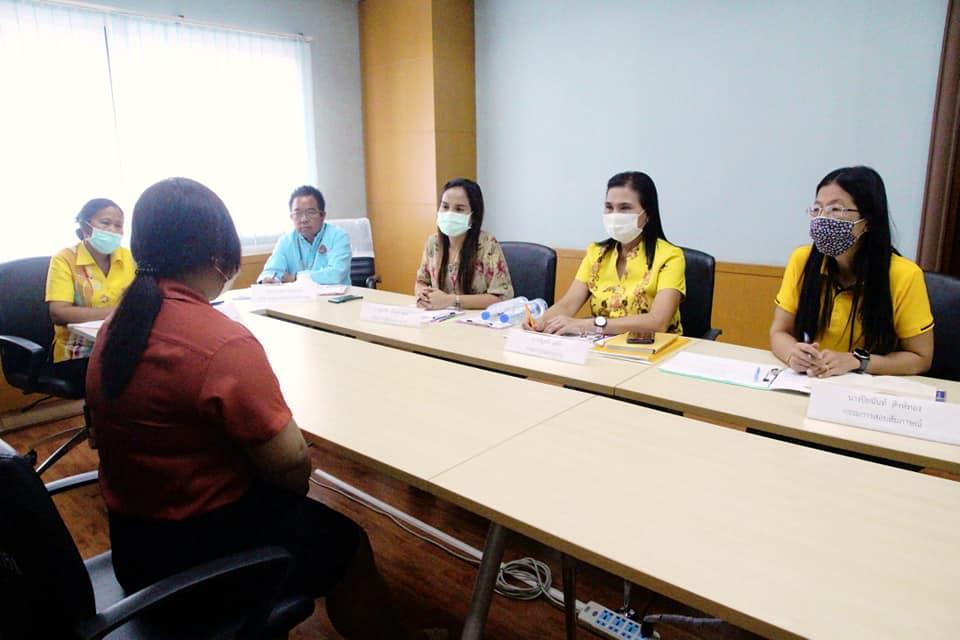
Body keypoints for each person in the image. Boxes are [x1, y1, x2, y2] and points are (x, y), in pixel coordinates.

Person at [86, 178, 407, 639]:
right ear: (218, 253)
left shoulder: (117, 325)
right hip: (198, 561)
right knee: (350, 544)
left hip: (135, 548)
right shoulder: (219, 341)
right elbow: (292, 469)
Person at [770, 166, 933, 377]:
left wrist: (857, 361)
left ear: (868, 221)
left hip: (867, 388)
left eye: (835, 209)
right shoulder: (802, 260)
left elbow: (921, 358)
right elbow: (779, 332)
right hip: (811, 380)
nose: (822, 219)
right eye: (817, 209)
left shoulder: (904, 275)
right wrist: (793, 353)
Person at [529, 171, 685, 336]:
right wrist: (540, 321)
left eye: (625, 208)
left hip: (655, 347)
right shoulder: (596, 253)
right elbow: (567, 305)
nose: (614, 215)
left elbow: (658, 322)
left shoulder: (670, 256)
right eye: (609, 207)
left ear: (648, 213)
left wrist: (589, 324)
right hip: (602, 345)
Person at [45, 198, 136, 380]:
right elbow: (59, 313)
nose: (112, 229)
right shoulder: (65, 259)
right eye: (105, 223)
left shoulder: (129, 258)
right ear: (85, 226)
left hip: (119, 345)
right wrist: (116, 312)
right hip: (77, 352)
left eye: (118, 225)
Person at [415, 178, 513, 309]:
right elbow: (421, 281)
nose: (450, 213)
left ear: (473, 215)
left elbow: (502, 297)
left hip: (477, 319)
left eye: (459, 209)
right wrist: (423, 295)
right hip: (439, 317)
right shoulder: (433, 243)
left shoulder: (488, 245)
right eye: (445, 206)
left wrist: (452, 300)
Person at [257, 185, 352, 285]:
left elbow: (335, 275)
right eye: (297, 214)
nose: (304, 219)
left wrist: (296, 277)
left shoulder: (338, 237)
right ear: (291, 217)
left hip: (335, 295)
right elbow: (271, 271)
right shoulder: (285, 241)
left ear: (322, 216)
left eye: (310, 212)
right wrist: (268, 279)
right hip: (297, 295)